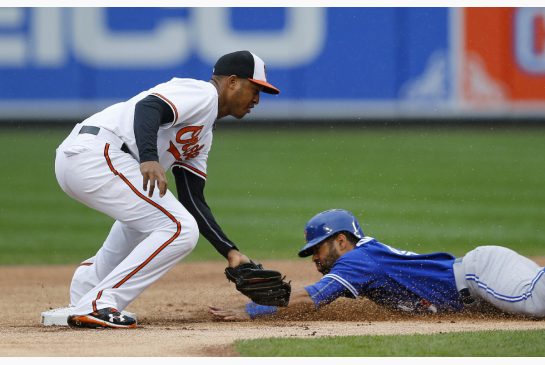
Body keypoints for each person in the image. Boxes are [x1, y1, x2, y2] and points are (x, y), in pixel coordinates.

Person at [54, 50, 280, 329]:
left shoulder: (203, 134)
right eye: (255, 89)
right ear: (232, 82)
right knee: (179, 229)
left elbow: (192, 199)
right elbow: (148, 107)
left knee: (151, 223)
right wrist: (149, 157)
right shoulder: (202, 94)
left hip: (90, 158)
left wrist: (231, 252)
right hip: (98, 153)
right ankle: (99, 302)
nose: (257, 99)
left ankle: (86, 292)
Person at [210, 209, 545, 320]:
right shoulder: (362, 260)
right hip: (477, 288)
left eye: (317, 248)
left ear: (341, 241)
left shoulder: (357, 260)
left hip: (480, 274)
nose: (314, 257)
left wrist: (251, 310)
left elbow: (310, 298)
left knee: (537, 303)